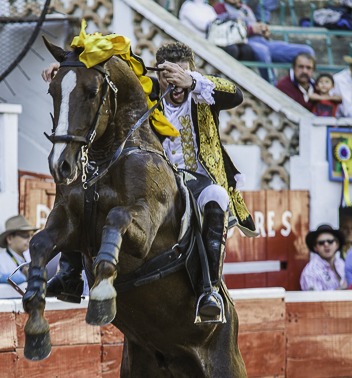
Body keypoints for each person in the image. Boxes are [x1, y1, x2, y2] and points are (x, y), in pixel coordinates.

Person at [42, 42, 257, 321]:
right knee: (87, 186)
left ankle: (210, 289)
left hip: (198, 181)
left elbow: (236, 95)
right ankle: (70, 275)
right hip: (147, 181)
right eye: (168, 74)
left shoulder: (203, 93)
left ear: (191, 71)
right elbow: (104, 75)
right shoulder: (145, 90)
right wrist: (70, 71)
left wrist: (191, 81)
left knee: (217, 196)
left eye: (181, 73)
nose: (173, 81)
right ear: (159, 74)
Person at [213, 0, 315, 83]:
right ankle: (272, 86)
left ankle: (304, 86)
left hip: (263, 41)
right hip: (245, 42)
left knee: (306, 51)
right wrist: (251, 29)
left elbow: (257, 26)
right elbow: (224, 30)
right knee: (262, 51)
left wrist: (264, 30)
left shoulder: (245, 8)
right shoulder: (219, 7)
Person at [179, 0, 255, 62]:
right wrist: (217, 21)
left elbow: (216, 22)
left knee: (246, 48)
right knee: (232, 49)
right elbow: (204, 25)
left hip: (212, 40)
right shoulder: (188, 5)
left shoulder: (207, 7)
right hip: (197, 42)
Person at [300, 224, 347, 291]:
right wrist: (342, 288)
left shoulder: (341, 263)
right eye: (321, 243)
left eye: (330, 241)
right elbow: (316, 300)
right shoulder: (310, 272)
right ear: (315, 247)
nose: (326, 245)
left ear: (337, 245)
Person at [0, 215, 38, 280]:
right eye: (25, 236)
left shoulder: (34, 258)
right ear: (9, 239)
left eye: (32, 235)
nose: (30, 240)